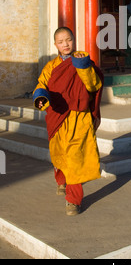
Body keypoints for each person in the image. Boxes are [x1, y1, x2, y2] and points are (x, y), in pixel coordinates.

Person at [33, 27, 103, 216]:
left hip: (79, 117)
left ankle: (73, 200)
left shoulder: (83, 61)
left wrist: (83, 67)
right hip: (57, 116)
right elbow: (42, 84)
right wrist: (40, 96)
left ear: (74, 40)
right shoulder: (51, 66)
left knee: (75, 158)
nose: (66, 44)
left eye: (69, 40)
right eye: (61, 41)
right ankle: (61, 180)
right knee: (59, 154)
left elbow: (93, 85)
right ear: (55, 44)